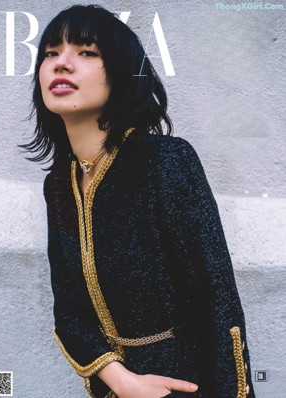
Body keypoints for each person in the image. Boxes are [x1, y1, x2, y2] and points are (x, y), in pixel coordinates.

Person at [20, 4, 256, 398]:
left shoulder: (164, 162)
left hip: (185, 385)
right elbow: (70, 312)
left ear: (122, 73)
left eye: (86, 52)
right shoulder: (59, 184)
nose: (61, 64)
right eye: (50, 53)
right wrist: (122, 380)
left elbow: (218, 304)